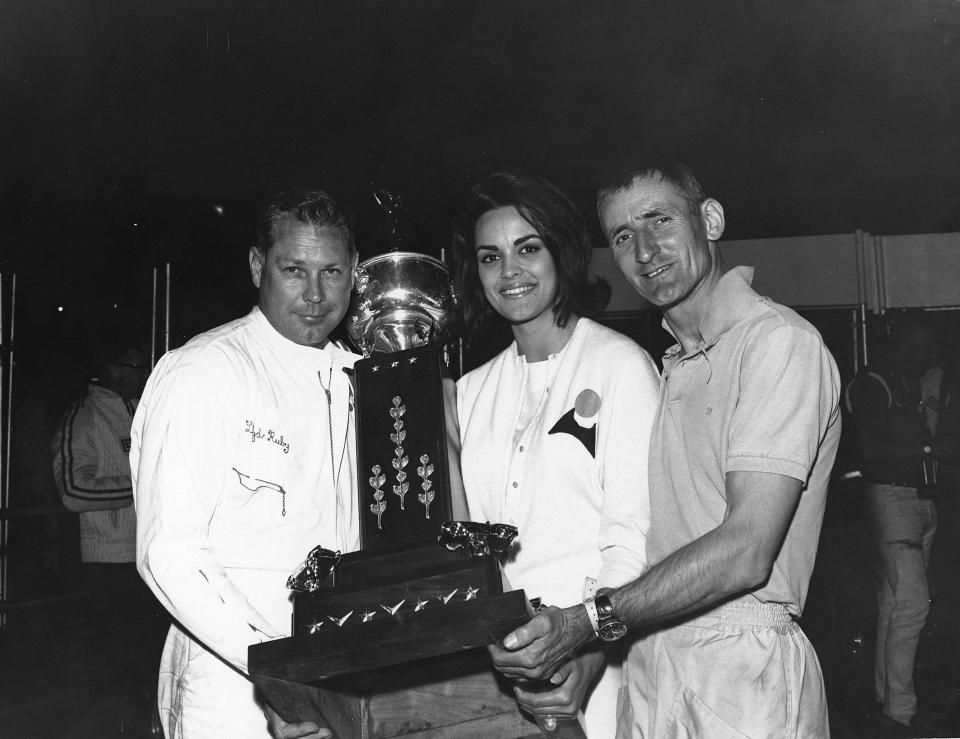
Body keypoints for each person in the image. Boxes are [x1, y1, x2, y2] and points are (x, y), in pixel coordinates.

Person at [489, 161, 841, 738]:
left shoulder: (777, 343)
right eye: (623, 236)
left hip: (743, 673)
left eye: (660, 219)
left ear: (711, 219)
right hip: (653, 665)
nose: (645, 250)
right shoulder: (675, 362)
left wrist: (589, 621)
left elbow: (746, 550)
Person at [131, 189, 360, 739]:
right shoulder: (204, 370)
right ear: (259, 266)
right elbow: (169, 552)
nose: (314, 293)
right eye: (293, 270)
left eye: (331, 271)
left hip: (344, 676)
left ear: (355, 273)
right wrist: (282, 677)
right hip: (233, 684)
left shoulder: (365, 378)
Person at [452, 171, 660, 737]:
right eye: (490, 257)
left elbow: (633, 537)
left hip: (600, 664)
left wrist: (587, 648)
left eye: (528, 248)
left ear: (561, 252)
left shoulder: (622, 367)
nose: (510, 271)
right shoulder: (469, 392)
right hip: (499, 674)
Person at [847, 312, 959, 734]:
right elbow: (870, 450)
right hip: (890, 498)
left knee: (894, 604)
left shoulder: (917, 383)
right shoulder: (872, 384)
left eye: (928, 347)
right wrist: (929, 448)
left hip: (920, 499)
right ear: (895, 345)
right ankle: (902, 712)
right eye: (917, 346)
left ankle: (887, 702)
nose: (925, 354)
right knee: (913, 603)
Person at [52, 336, 167, 726]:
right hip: (107, 565)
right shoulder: (84, 417)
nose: (145, 374)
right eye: (137, 368)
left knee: (147, 667)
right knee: (114, 671)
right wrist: (139, 487)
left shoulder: (140, 410)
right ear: (115, 371)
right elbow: (72, 489)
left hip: (144, 559)